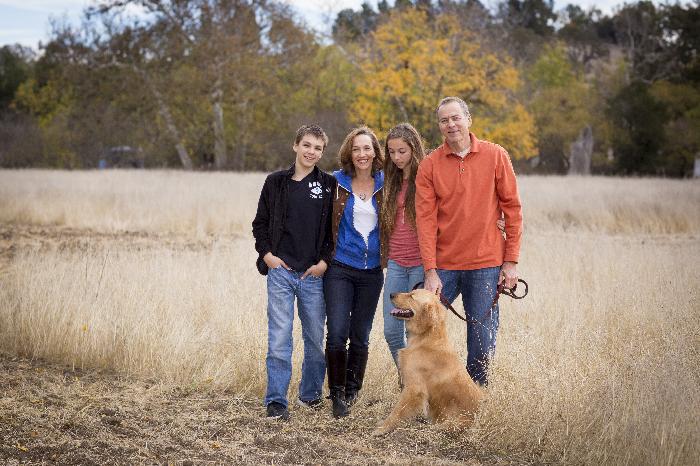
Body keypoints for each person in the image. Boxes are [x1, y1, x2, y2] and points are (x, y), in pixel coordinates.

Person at [416, 96, 523, 386]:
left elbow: (512, 209)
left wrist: (511, 262)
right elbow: (425, 221)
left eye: (456, 118)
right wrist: (430, 271)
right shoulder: (429, 165)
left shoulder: (496, 155)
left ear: (468, 119)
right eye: (444, 120)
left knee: (482, 340)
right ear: (439, 126)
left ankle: (474, 397)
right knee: (422, 327)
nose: (451, 124)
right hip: (444, 266)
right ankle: (431, 392)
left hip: (486, 264)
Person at [252, 124, 336, 421]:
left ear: (322, 153)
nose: (311, 152)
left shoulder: (328, 185)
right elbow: (260, 224)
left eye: (318, 148)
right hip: (281, 273)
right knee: (279, 338)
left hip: (312, 275)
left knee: (315, 339)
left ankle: (310, 395)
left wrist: (324, 262)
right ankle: (276, 401)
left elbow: (335, 230)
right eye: (307, 145)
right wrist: (268, 256)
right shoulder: (275, 182)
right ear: (296, 145)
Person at [324, 126, 384, 418]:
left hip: (372, 272)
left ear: (375, 152)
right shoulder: (336, 182)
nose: (362, 154)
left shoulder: (386, 183)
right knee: (337, 332)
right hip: (340, 267)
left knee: (361, 334)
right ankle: (336, 394)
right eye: (356, 149)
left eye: (367, 148)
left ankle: (352, 391)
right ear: (349, 152)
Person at [379, 123, 426, 369]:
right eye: (391, 152)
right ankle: (408, 377)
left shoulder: (427, 177)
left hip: (421, 265)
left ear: (414, 149)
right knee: (391, 330)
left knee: (414, 331)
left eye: (402, 151)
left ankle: (414, 384)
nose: (396, 157)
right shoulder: (389, 179)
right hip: (396, 263)